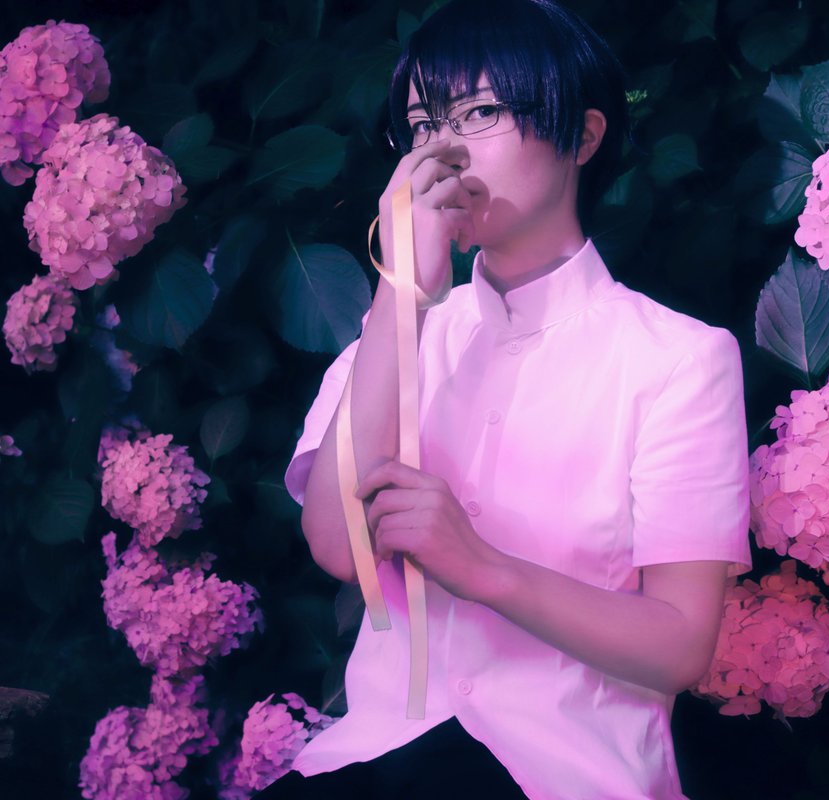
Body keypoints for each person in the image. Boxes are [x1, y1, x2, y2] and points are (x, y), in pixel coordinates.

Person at [264, 1, 751, 797]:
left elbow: (680, 646)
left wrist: (484, 568)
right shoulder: (386, 340)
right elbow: (338, 549)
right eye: (422, 125)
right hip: (373, 762)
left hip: (564, 774)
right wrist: (402, 296)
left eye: (481, 112)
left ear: (583, 136)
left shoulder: (678, 361)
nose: (443, 152)